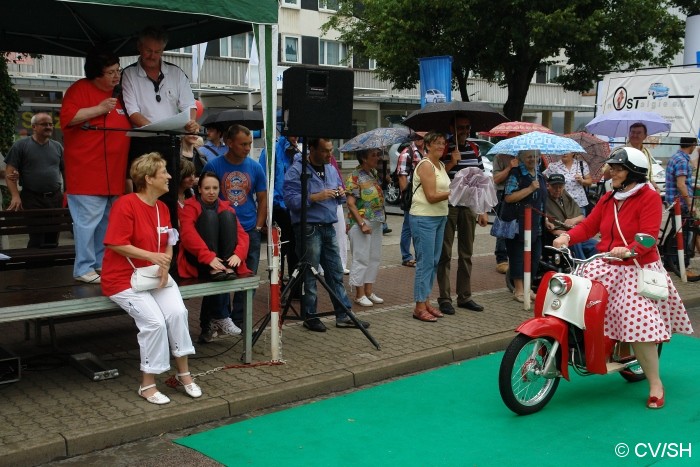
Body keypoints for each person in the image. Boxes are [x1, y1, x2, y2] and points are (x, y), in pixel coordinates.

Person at [553, 147, 693, 409]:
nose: (612, 172)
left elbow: (649, 236)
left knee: (635, 317)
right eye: (613, 168)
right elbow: (589, 226)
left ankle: (655, 383)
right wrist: (567, 237)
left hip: (637, 267)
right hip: (607, 264)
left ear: (633, 173)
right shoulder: (609, 197)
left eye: (618, 169)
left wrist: (630, 249)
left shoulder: (648, 197)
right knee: (572, 297)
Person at [101, 152, 202, 405]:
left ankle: (184, 375)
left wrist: (165, 262)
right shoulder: (125, 204)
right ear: (148, 178)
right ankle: (147, 385)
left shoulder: (162, 207)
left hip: (154, 274)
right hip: (123, 279)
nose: (170, 176)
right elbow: (114, 243)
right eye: (164, 172)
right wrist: (154, 257)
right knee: (155, 323)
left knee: (178, 313)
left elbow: (169, 240)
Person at [283, 138, 370, 332]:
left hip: (328, 226)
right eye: (325, 151)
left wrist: (340, 193)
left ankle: (344, 314)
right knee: (310, 273)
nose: (330, 155)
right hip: (308, 228)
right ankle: (310, 316)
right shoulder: (296, 171)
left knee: (335, 272)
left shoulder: (330, 168)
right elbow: (290, 200)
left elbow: (340, 196)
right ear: (311, 148)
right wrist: (315, 197)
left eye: (331, 151)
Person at [60, 48, 131, 284]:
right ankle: (83, 268)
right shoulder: (79, 89)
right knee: (86, 223)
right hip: (87, 174)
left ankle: (100, 264)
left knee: (106, 223)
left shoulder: (121, 94)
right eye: (110, 72)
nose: (116, 76)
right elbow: (68, 118)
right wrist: (100, 109)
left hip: (113, 176)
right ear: (96, 74)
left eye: (117, 70)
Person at [121, 26, 199, 222]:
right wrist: (157, 129)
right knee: (144, 194)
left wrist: (191, 122)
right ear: (139, 47)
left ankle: (170, 244)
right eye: (148, 50)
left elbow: (190, 106)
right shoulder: (129, 74)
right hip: (143, 142)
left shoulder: (176, 73)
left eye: (157, 51)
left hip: (170, 142)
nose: (152, 55)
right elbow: (133, 112)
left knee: (169, 195)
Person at [203, 124, 267, 327]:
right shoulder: (213, 166)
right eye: (243, 144)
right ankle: (220, 319)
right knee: (221, 277)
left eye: (249, 144)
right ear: (229, 143)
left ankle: (240, 320)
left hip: (249, 230)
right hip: (223, 232)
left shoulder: (255, 167)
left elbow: (263, 198)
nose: (248, 148)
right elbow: (205, 196)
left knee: (247, 278)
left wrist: (257, 227)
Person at [178, 171, 253, 342]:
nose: (211, 192)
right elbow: (188, 235)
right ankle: (220, 316)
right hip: (199, 260)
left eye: (215, 188)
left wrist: (238, 254)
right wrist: (208, 258)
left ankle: (211, 323)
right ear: (199, 189)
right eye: (207, 188)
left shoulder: (226, 206)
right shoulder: (189, 207)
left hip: (223, 262)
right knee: (210, 216)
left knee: (227, 217)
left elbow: (242, 235)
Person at [437, 115, 489, 314]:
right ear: (452, 127)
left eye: (467, 127)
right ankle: (444, 298)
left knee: (466, 253)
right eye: (461, 127)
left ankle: (464, 296)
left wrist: (482, 209)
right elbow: (436, 175)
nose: (465, 131)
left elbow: (481, 179)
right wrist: (451, 162)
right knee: (445, 254)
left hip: (468, 206)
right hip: (448, 205)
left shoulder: (474, 149)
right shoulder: (444, 147)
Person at [4, 113, 65, 247]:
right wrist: (15, 196)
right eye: (44, 124)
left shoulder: (57, 146)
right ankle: (33, 267)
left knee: (53, 238)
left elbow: (66, 171)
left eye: (50, 124)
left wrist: (67, 193)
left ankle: (51, 267)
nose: (48, 127)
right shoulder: (20, 145)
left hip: (55, 198)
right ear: (34, 127)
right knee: (37, 238)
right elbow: (9, 172)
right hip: (32, 198)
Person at [409, 132, 451, 322]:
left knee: (433, 261)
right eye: (437, 143)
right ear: (427, 145)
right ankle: (419, 306)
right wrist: (455, 192)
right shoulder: (426, 165)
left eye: (443, 143)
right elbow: (432, 196)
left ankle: (425, 300)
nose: (441, 146)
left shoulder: (441, 165)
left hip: (440, 216)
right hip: (424, 218)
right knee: (425, 262)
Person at [502, 150, 547, 303]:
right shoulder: (516, 173)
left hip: (536, 224)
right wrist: (529, 189)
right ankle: (519, 290)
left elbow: (541, 200)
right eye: (529, 157)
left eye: (535, 156)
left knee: (535, 257)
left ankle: (528, 288)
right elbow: (508, 197)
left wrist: (545, 217)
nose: (533, 159)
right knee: (518, 256)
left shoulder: (539, 174)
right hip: (518, 223)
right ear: (521, 158)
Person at [346, 148, 385, 307]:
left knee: (374, 257)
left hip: (376, 222)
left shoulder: (373, 173)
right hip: (361, 223)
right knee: (361, 258)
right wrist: (361, 224)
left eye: (377, 154)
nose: (377, 158)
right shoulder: (354, 176)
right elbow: (350, 203)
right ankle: (359, 294)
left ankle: (369, 291)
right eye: (373, 155)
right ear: (363, 158)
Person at [664, 137, 699, 277]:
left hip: (674, 201)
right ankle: (681, 266)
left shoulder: (675, 157)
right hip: (681, 204)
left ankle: (670, 263)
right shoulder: (683, 160)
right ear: (692, 145)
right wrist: (690, 203)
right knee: (683, 235)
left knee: (677, 233)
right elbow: (681, 184)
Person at [544, 173, 597, 259]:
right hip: (557, 236)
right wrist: (557, 232)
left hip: (572, 231)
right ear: (548, 186)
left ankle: (592, 268)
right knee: (574, 242)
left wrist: (573, 220)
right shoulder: (545, 199)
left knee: (596, 245)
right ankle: (580, 268)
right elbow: (545, 224)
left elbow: (582, 217)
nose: (557, 190)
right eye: (554, 187)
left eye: (560, 187)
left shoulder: (565, 196)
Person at [396, 135, 425, 267]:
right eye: (417, 136)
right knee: (408, 227)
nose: (420, 139)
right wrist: (408, 196)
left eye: (423, 136)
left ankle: (419, 255)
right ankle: (406, 256)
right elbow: (402, 177)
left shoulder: (427, 152)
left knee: (418, 227)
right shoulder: (407, 153)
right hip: (412, 197)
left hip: (425, 197)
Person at [492, 152, 520, 274]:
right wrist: (510, 167)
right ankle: (501, 259)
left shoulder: (525, 155)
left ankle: (516, 257)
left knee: (519, 227)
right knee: (503, 226)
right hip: (503, 193)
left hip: (521, 193)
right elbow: (496, 179)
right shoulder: (499, 157)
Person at [627, 122, 660, 193]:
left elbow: (649, 176)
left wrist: (656, 188)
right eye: (632, 132)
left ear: (645, 136)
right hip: (627, 192)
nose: (635, 135)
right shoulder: (621, 151)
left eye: (638, 133)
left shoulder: (646, 152)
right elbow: (607, 173)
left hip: (644, 192)